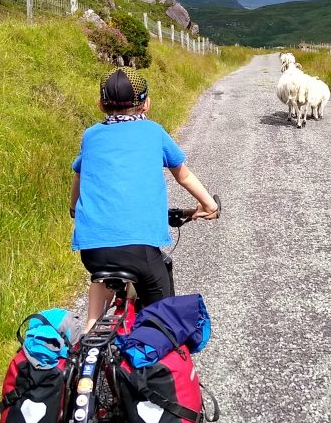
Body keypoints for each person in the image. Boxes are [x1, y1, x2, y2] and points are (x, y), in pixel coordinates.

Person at [69, 66, 219, 331]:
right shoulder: (153, 132)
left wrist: (73, 209)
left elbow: (79, 177)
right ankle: (157, 356)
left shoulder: (90, 136)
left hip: (92, 251)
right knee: (163, 325)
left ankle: (87, 342)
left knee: (100, 278)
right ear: (146, 103)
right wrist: (209, 205)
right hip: (140, 251)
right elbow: (183, 176)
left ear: (100, 104)